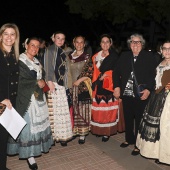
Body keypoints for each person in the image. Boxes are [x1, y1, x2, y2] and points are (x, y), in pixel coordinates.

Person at [7, 37, 54, 170]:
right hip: (25, 99)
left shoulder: (36, 62)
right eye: (32, 45)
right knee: (28, 127)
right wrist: (35, 83)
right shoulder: (19, 61)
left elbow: (40, 76)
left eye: (37, 46)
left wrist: (43, 81)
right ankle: (29, 156)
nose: (34, 48)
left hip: (38, 98)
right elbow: (18, 80)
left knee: (37, 127)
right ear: (26, 45)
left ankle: (34, 150)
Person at [114, 33, 157, 155]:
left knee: (139, 119)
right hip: (126, 93)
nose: (135, 44)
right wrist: (117, 86)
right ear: (130, 44)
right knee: (127, 117)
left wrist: (148, 89)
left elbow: (153, 75)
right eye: (133, 42)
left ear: (142, 44)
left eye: (138, 42)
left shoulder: (148, 56)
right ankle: (129, 139)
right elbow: (116, 72)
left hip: (141, 93)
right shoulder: (124, 55)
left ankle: (138, 144)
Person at [74, 34, 122, 142]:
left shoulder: (114, 56)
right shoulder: (95, 56)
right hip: (97, 85)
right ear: (100, 44)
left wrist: (107, 75)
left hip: (108, 86)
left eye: (107, 42)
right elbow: (92, 71)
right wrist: (97, 78)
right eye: (103, 42)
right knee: (98, 112)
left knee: (107, 112)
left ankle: (106, 133)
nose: (105, 44)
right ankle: (100, 130)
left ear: (110, 43)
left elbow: (117, 72)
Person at [136, 40, 170, 165]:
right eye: (165, 48)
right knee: (157, 127)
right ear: (161, 50)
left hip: (168, 99)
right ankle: (158, 153)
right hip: (157, 97)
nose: (167, 51)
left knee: (166, 127)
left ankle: (167, 156)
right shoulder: (160, 62)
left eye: (169, 49)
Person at [44, 31, 73, 146]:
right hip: (54, 83)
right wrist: (49, 82)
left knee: (61, 110)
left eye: (62, 38)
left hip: (61, 84)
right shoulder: (50, 50)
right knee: (54, 111)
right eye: (58, 38)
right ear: (53, 38)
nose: (60, 40)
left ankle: (61, 136)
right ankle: (54, 136)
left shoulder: (62, 51)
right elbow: (47, 67)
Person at [0, 23, 20, 170]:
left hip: (9, 104)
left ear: (16, 38)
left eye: (12, 34)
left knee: (3, 139)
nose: (9, 37)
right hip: (1, 103)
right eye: (5, 33)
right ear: (0, 36)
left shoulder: (14, 56)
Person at [68, 35, 91, 144]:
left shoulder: (87, 57)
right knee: (73, 110)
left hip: (82, 88)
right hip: (71, 88)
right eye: (77, 42)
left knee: (83, 110)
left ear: (84, 43)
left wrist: (79, 81)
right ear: (74, 42)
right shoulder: (69, 56)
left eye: (81, 42)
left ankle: (82, 133)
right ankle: (74, 130)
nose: (79, 44)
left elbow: (90, 72)